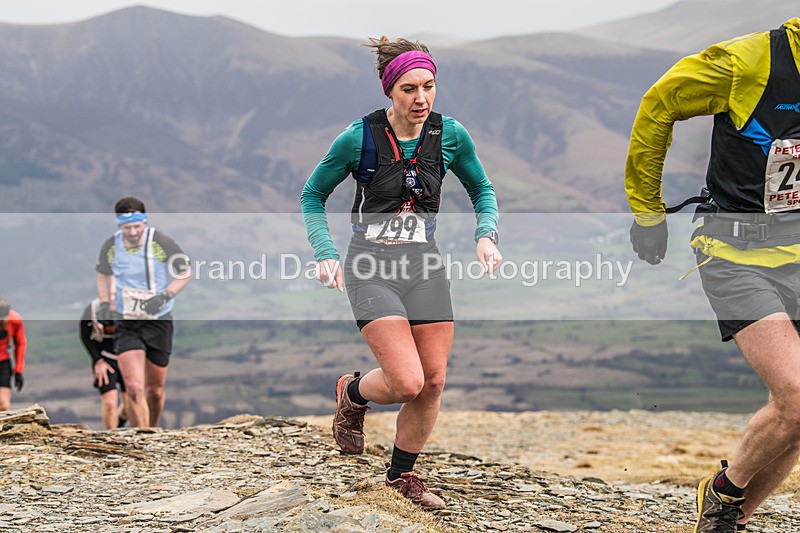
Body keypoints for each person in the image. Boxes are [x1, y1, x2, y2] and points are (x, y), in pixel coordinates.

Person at [301, 36, 501, 510]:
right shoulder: (358, 138)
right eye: (409, 89)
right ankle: (352, 392)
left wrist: (486, 234)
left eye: (429, 87)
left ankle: (400, 475)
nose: (421, 99)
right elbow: (312, 195)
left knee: (432, 381)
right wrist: (325, 252)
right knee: (406, 381)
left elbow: (482, 189)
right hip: (371, 266)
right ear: (390, 91)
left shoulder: (450, 135)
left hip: (424, 266)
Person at [625, 19, 800, 532]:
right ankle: (723, 492)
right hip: (736, 253)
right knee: (796, 396)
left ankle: (728, 519)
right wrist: (648, 212)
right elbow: (659, 104)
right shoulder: (748, 61)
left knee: (796, 417)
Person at [96, 197, 191, 428]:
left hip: (158, 321)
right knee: (134, 388)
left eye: (137, 227)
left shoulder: (160, 241)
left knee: (155, 391)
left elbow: (185, 272)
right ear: (119, 225)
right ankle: (144, 437)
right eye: (127, 228)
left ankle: (152, 429)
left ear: (144, 222)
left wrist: (164, 296)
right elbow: (102, 274)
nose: (133, 232)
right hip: (126, 322)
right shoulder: (111, 245)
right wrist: (104, 304)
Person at [79, 298, 128, 429]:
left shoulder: (131, 306)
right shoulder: (94, 309)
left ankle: (120, 422)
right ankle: (113, 436)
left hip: (128, 359)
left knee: (130, 404)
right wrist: (97, 360)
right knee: (110, 403)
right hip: (105, 359)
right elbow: (84, 335)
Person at [0, 297, 26, 411]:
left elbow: (20, 343)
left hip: (3, 361)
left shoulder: (15, 320)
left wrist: (18, 370)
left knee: (4, 405)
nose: (3, 321)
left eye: (5, 318)